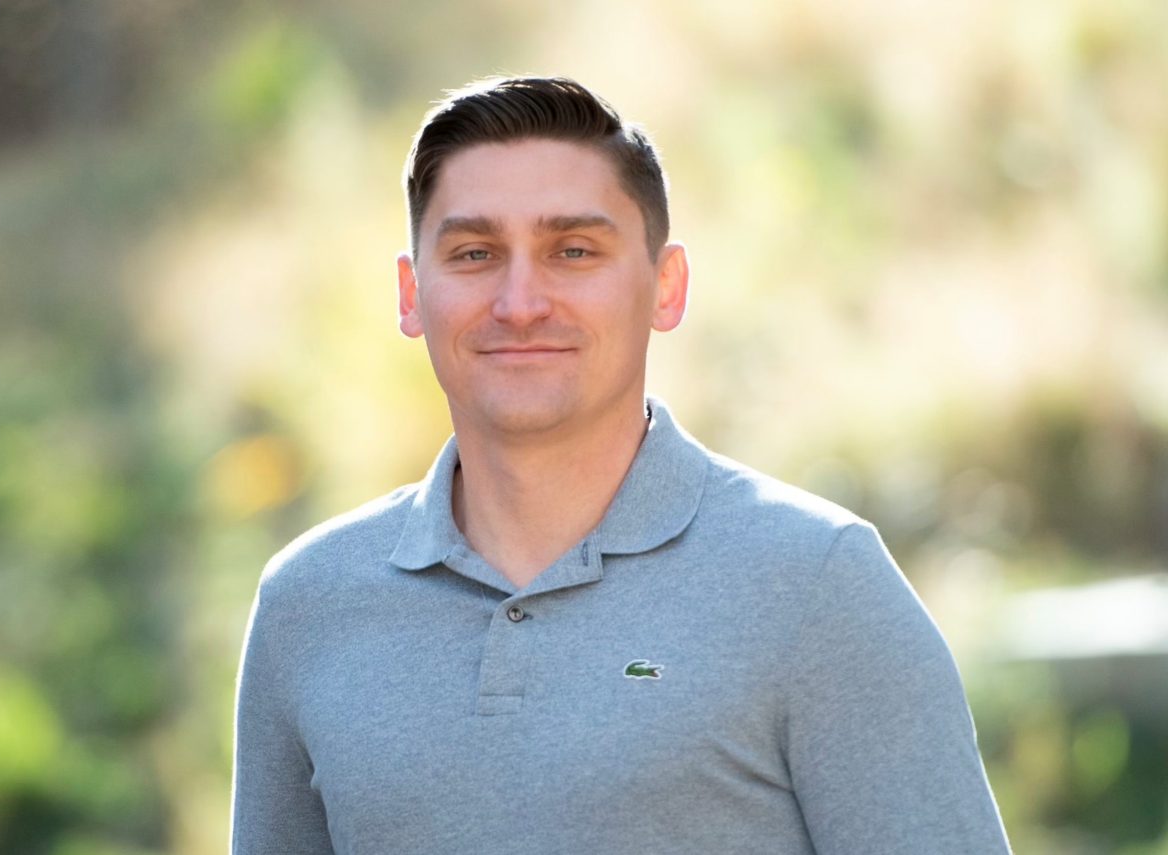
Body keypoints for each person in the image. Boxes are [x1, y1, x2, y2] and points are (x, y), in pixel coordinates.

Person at [231, 76, 1011, 854]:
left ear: (665, 287)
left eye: (573, 250)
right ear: (411, 294)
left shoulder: (817, 584)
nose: (520, 302)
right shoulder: (309, 603)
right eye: (475, 253)